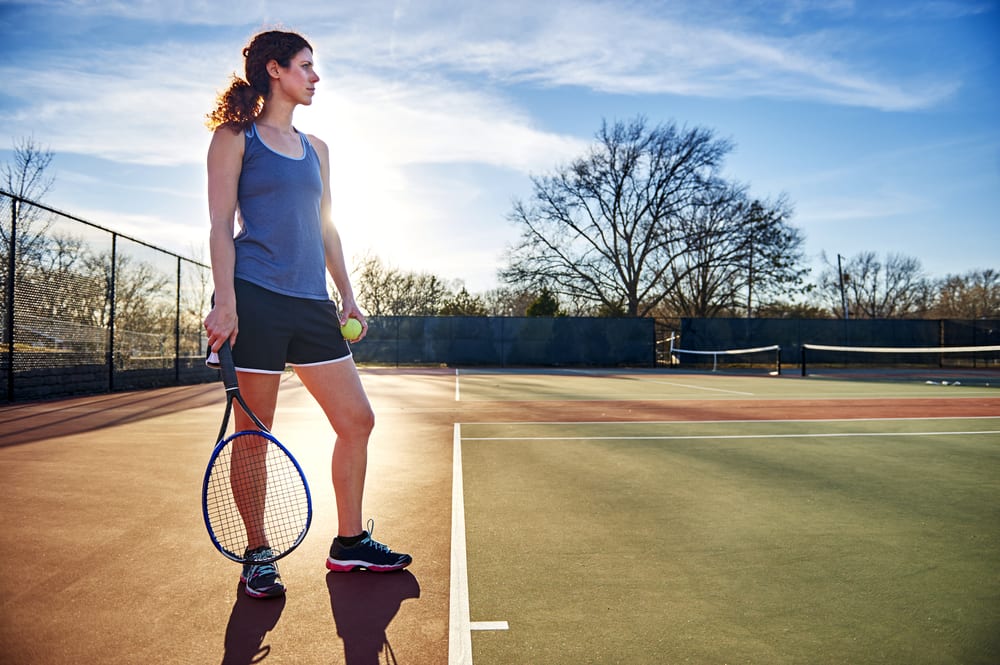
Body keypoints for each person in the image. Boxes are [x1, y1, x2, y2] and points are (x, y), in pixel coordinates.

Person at [204, 29, 411, 599]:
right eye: (305, 66)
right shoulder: (234, 138)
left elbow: (327, 227)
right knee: (253, 438)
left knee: (357, 421)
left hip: (312, 303)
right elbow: (221, 225)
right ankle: (257, 553)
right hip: (256, 299)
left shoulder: (318, 149)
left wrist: (347, 294)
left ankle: (348, 544)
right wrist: (227, 301)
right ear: (275, 70)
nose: (315, 77)